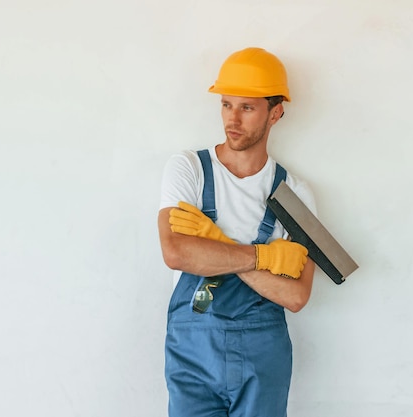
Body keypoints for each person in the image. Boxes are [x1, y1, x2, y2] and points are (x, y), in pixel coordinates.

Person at [158, 47, 317, 417]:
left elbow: (295, 295)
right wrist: (264, 257)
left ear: (275, 113)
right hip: (191, 351)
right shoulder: (189, 169)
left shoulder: (295, 194)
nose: (233, 119)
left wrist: (214, 246)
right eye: (227, 105)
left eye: (247, 108)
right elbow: (176, 253)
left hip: (263, 356)